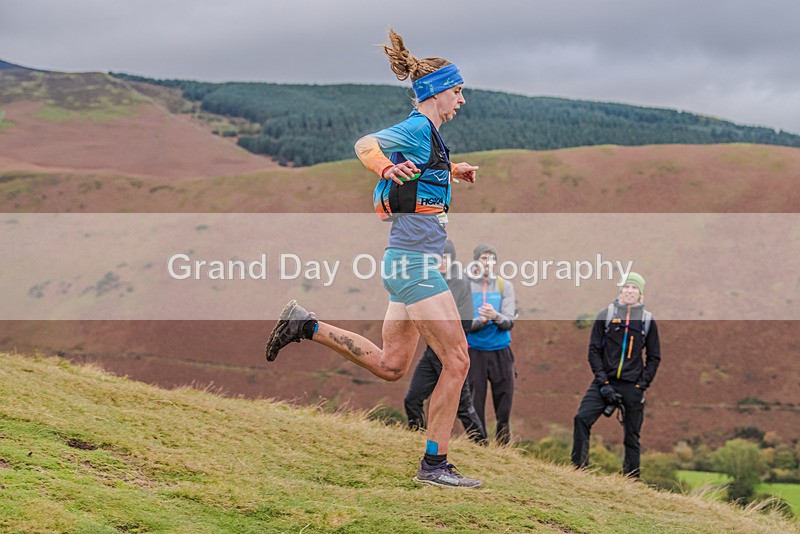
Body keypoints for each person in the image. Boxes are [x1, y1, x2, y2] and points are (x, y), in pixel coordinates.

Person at [265, 29, 482, 488]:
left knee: (391, 366)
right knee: (458, 361)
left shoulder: (431, 138)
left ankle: (306, 325)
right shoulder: (419, 126)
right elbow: (366, 143)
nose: (463, 99)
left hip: (406, 262)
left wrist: (453, 171)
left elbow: (420, 171)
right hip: (413, 266)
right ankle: (435, 464)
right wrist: (383, 166)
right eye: (458, 90)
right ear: (436, 91)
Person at [571, 272, 662, 478]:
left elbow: (654, 357)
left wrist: (641, 386)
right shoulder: (607, 315)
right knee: (581, 419)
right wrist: (603, 383)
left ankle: (631, 480)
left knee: (632, 435)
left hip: (633, 385)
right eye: (626, 287)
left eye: (634, 288)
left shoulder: (647, 321)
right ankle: (578, 469)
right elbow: (594, 350)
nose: (630, 291)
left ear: (641, 294)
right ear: (620, 291)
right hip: (604, 382)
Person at [404, 239, 488, 445]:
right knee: (412, 399)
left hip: (451, 355)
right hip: (432, 352)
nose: (440, 261)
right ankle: (416, 438)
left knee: (463, 407)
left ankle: (483, 447)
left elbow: (465, 322)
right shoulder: (429, 281)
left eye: (444, 257)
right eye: (436, 257)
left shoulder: (459, 282)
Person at [466, 243, 517, 446]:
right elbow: (465, 323)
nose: (488, 262)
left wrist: (495, 316)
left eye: (491, 258)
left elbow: (509, 322)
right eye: (484, 258)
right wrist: (481, 321)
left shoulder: (505, 286)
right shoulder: (466, 286)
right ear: (476, 261)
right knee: (475, 402)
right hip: (475, 352)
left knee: (504, 401)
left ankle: (503, 446)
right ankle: (479, 446)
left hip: (501, 352)